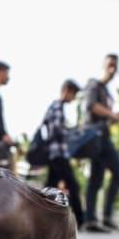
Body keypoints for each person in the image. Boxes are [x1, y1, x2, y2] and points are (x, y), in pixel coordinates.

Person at [83, 54, 119, 233]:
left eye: (115, 66)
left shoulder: (107, 92)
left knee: (97, 178)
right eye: (109, 65)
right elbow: (91, 106)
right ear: (103, 66)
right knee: (116, 173)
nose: (112, 69)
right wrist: (112, 115)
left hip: (103, 136)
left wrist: (114, 118)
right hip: (96, 137)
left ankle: (95, 218)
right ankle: (98, 218)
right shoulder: (94, 85)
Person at [43, 80, 84, 227]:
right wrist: (75, 131)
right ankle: (80, 220)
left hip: (54, 154)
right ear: (67, 90)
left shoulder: (53, 107)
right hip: (58, 154)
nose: (73, 98)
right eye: (74, 94)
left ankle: (41, 218)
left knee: (49, 188)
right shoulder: (57, 106)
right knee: (73, 185)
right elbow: (57, 131)